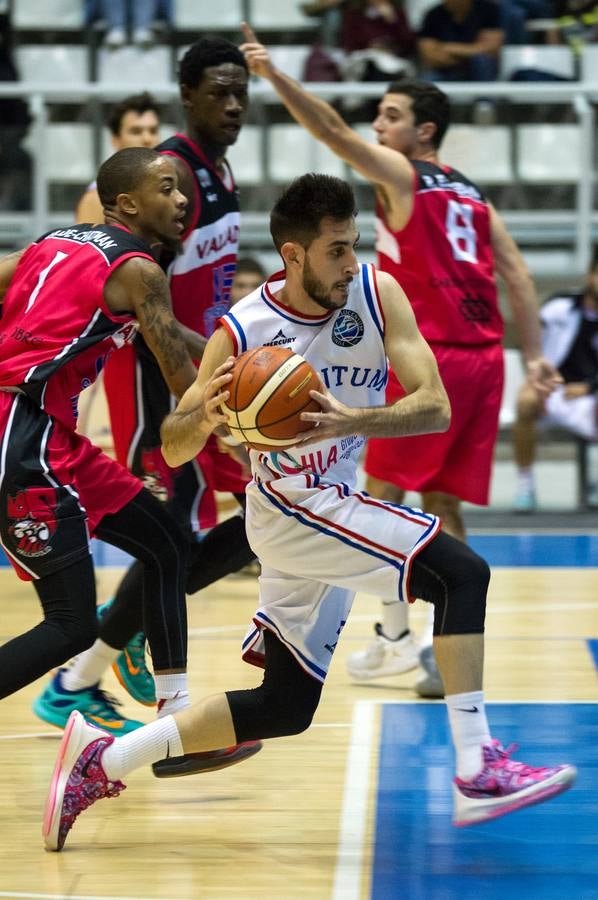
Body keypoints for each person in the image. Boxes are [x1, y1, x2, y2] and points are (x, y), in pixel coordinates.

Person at [42, 173, 576, 853]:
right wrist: (204, 416)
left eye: (352, 246)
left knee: (284, 708)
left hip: (334, 498)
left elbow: (434, 405)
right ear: (293, 256)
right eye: (334, 251)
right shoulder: (245, 331)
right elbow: (173, 448)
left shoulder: (378, 294)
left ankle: (101, 762)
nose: (349, 263)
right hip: (290, 506)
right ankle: (477, 768)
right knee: (461, 573)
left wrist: (357, 419)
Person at [238, 26, 560, 698]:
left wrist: (274, 76)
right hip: (485, 360)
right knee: (441, 503)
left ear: (425, 132)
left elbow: (329, 133)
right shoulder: (473, 194)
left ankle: (389, 641)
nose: (377, 127)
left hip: (432, 353)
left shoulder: (404, 175)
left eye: (391, 117)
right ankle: (442, 654)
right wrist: (534, 357)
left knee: (370, 496)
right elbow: (519, 275)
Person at [33, 38, 259, 767]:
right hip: (163, 379)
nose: (232, 105)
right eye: (218, 91)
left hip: (208, 371)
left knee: (258, 522)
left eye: (241, 92)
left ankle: (90, 666)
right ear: (186, 93)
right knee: (172, 540)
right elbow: (108, 245)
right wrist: (218, 377)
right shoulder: (172, 174)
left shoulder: (216, 172)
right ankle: (112, 676)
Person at [0, 147, 198, 713]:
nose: (181, 199)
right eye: (166, 188)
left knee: (167, 543)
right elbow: (185, 383)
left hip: (47, 433)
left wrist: (234, 358)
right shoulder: (142, 270)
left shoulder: (54, 243)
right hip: (21, 437)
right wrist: (250, 423)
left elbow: (172, 333)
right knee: (69, 626)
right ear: (128, 204)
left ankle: (175, 718)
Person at [513, 250, 598, 512]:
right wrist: (537, 378)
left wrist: (589, 387)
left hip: (591, 393)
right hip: (554, 390)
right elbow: (531, 348)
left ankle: (594, 482)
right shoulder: (558, 307)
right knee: (525, 400)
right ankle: (525, 485)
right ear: (590, 275)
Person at [75, 92, 162, 225]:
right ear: (115, 139)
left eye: (153, 131)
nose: (147, 139)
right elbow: (86, 245)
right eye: (136, 131)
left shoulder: (169, 191)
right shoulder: (97, 198)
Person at [417, 0, 503, 82]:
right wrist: (469, 53)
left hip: (480, 70)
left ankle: (485, 96)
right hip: (445, 71)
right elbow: (429, 56)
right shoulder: (433, 15)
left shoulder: (488, 10)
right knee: (427, 81)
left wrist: (448, 48)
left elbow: (491, 48)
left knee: (481, 61)